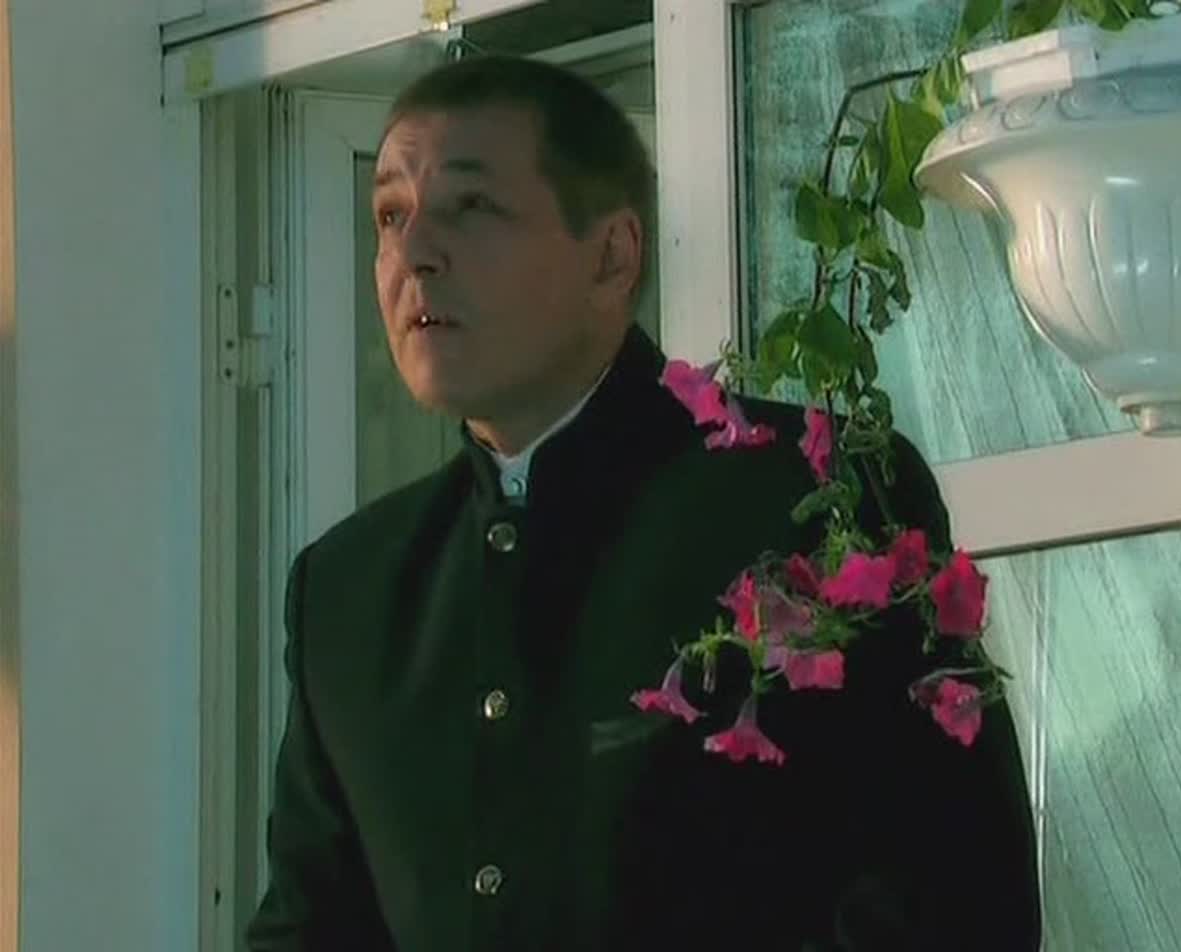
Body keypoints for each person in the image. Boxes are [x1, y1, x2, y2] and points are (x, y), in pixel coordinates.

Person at [246, 55, 1041, 951]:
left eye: (471, 206)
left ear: (613, 255)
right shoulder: (349, 590)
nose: (414, 253)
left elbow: (957, 898)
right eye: (390, 215)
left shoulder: (813, 495)